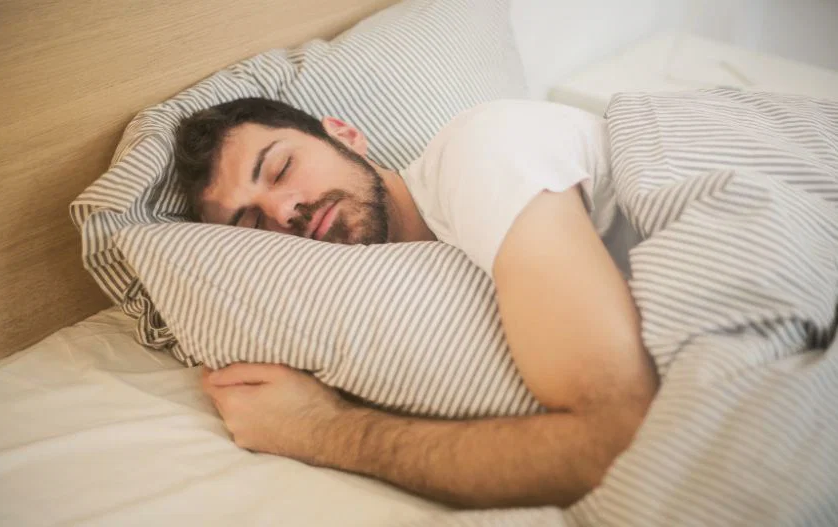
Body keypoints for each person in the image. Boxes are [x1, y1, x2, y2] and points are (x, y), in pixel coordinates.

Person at [174, 97, 659, 509]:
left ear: (344, 135)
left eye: (281, 168)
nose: (283, 211)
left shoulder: (481, 154)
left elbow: (618, 441)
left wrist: (320, 430)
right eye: (252, 224)